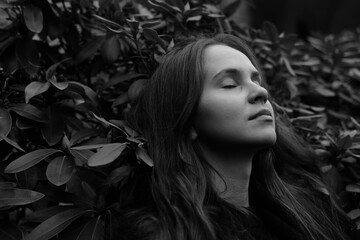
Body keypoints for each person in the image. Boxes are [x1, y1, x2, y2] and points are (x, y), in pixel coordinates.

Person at [120, 34, 353, 240]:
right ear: (187, 120)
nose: (261, 92)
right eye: (230, 84)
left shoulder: (309, 212)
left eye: (256, 81)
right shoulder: (163, 232)